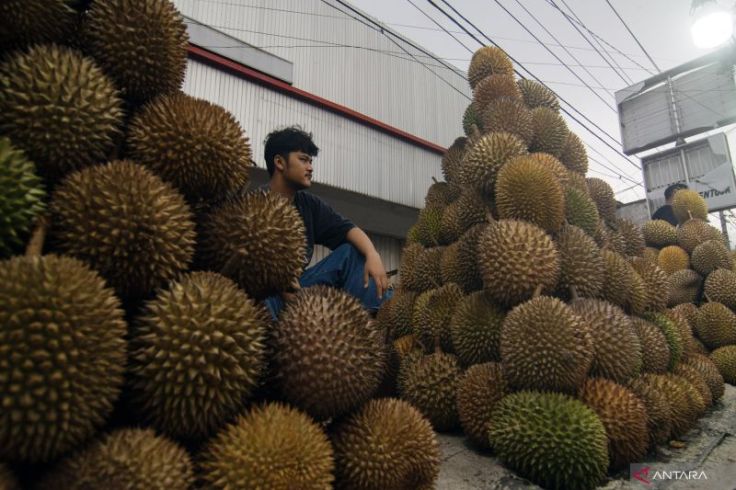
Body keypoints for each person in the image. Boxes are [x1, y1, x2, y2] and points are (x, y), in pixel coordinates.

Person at [261, 126, 391, 319]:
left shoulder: (308, 205)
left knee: (353, 253)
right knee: (258, 299)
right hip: (266, 295)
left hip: (299, 290)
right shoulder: (254, 204)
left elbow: (347, 229)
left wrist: (373, 254)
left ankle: (375, 321)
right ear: (279, 162)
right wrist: (282, 289)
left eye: (310, 161)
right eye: (303, 159)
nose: (310, 167)